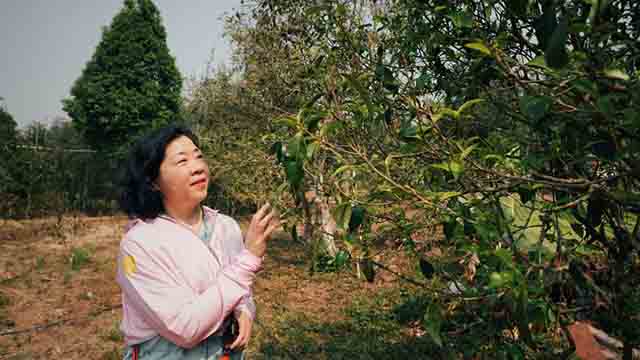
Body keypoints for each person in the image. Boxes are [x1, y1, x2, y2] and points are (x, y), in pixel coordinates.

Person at [116, 124, 279, 359]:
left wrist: (245, 308)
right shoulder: (139, 243)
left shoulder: (225, 226)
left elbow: (239, 286)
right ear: (153, 181)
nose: (198, 168)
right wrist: (250, 257)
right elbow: (185, 329)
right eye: (182, 161)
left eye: (199, 157)